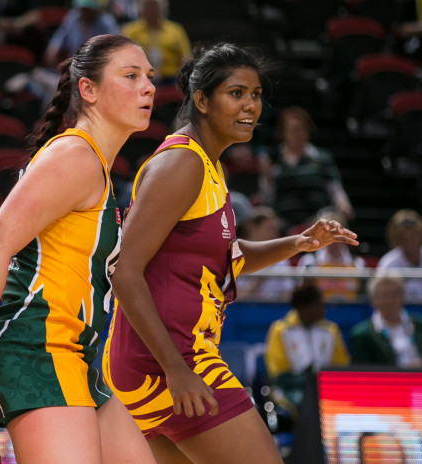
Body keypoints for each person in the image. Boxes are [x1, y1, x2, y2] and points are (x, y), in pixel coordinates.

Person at [101, 42, 359, 464]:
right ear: (201, 100)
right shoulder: (181, 164)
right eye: (236, 93)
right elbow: (125, 272)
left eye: (256, 95)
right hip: (169, 359)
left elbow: (227, 256)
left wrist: (298, 243)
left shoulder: (206, 165)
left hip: (159, 359)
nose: (251, 106)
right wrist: (176, 370)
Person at [0, 34, 158, 464]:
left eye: (149, 77)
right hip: (34, 346)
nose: (148, 87)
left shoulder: (91, 163)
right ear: (88, 90)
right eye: (130, 75)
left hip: (75, 351)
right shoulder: (75, 157)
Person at [258, 106, 354, 231]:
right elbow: (267, 201)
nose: (299, 134)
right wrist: (267, 178)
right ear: (283, 133)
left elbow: (335, 188)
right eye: (294, 130)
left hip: (317, 218)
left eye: (303, 129)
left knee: (331, 221)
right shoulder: (273, 159)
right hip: (284, 221)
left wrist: (343, 204)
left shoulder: (321, 158)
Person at [264, 283, 350, 412]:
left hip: (326, 388)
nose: (323, 308)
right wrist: (306, 378)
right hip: (292, 389)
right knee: (306, 404)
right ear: (303, 307)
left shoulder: (331, 330)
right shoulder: (280, 330)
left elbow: (341, 365)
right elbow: (278, 373)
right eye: (318, 305)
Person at [350, 270, 422, 368]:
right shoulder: (362, 334)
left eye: (395, 294)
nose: (390, 300)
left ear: (402, 297)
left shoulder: (419, 324)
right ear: (374, 300)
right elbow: (363, 373)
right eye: (385, 295)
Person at [297, 208, 367, 302]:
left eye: (336, 232)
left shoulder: (358, 263)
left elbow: (363, 298)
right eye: (326, 233)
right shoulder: (309, 263)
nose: (332, 238)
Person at [121, 0, 191, 85]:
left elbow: (185, 57)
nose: (152, 10)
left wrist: (182, 78)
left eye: (154, 7)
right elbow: (123, 59)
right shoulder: (130, 31)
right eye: (148, 7)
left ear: (162, 9)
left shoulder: (175, 30)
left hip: (171, 79)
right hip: (140, 78)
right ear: (141, 9)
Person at [236, 206, 295, 301]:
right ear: (253, 228)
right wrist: (260, 276)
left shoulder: (281, 258)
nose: (274, 233)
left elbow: (287, 296)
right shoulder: (236, 256)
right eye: (270, 228)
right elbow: (235, 299)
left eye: (275, 229)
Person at [43, 0, 120, 67]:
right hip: (75, 67)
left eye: (88, 10)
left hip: (99, 67)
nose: (85, 12)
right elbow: (59, 37)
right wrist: (52, 50)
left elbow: (116, 48)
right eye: (83, 9)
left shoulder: (107, 23)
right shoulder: (73, 17)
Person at [377, 208, 422, 302]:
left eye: (413, 236)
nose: (409, 241)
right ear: (396, 239)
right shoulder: (387, 263)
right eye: (403, 237)